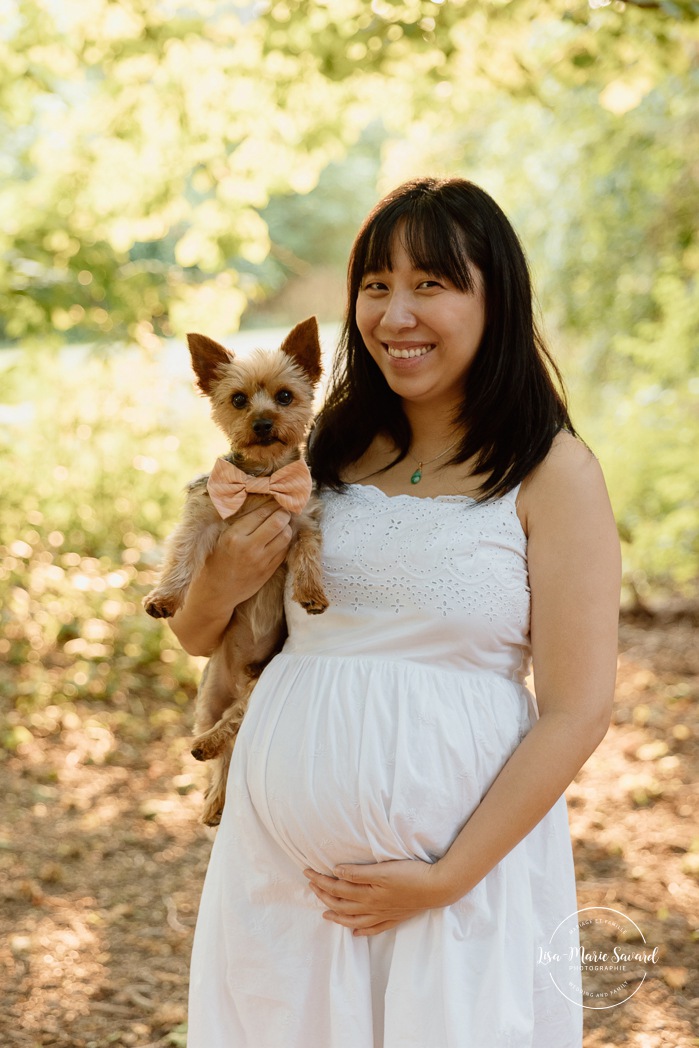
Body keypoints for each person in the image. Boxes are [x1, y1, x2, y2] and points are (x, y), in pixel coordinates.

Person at [170, 177, 621, 1047]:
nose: (395, 313)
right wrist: (221, 578)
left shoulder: (552, 472)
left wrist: (448, 877)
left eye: (432, 284)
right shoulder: (324, 451)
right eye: (375, 285)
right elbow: (200, 635)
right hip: (279, 877)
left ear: (496, 299)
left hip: (451, 885)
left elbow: (578, 709)